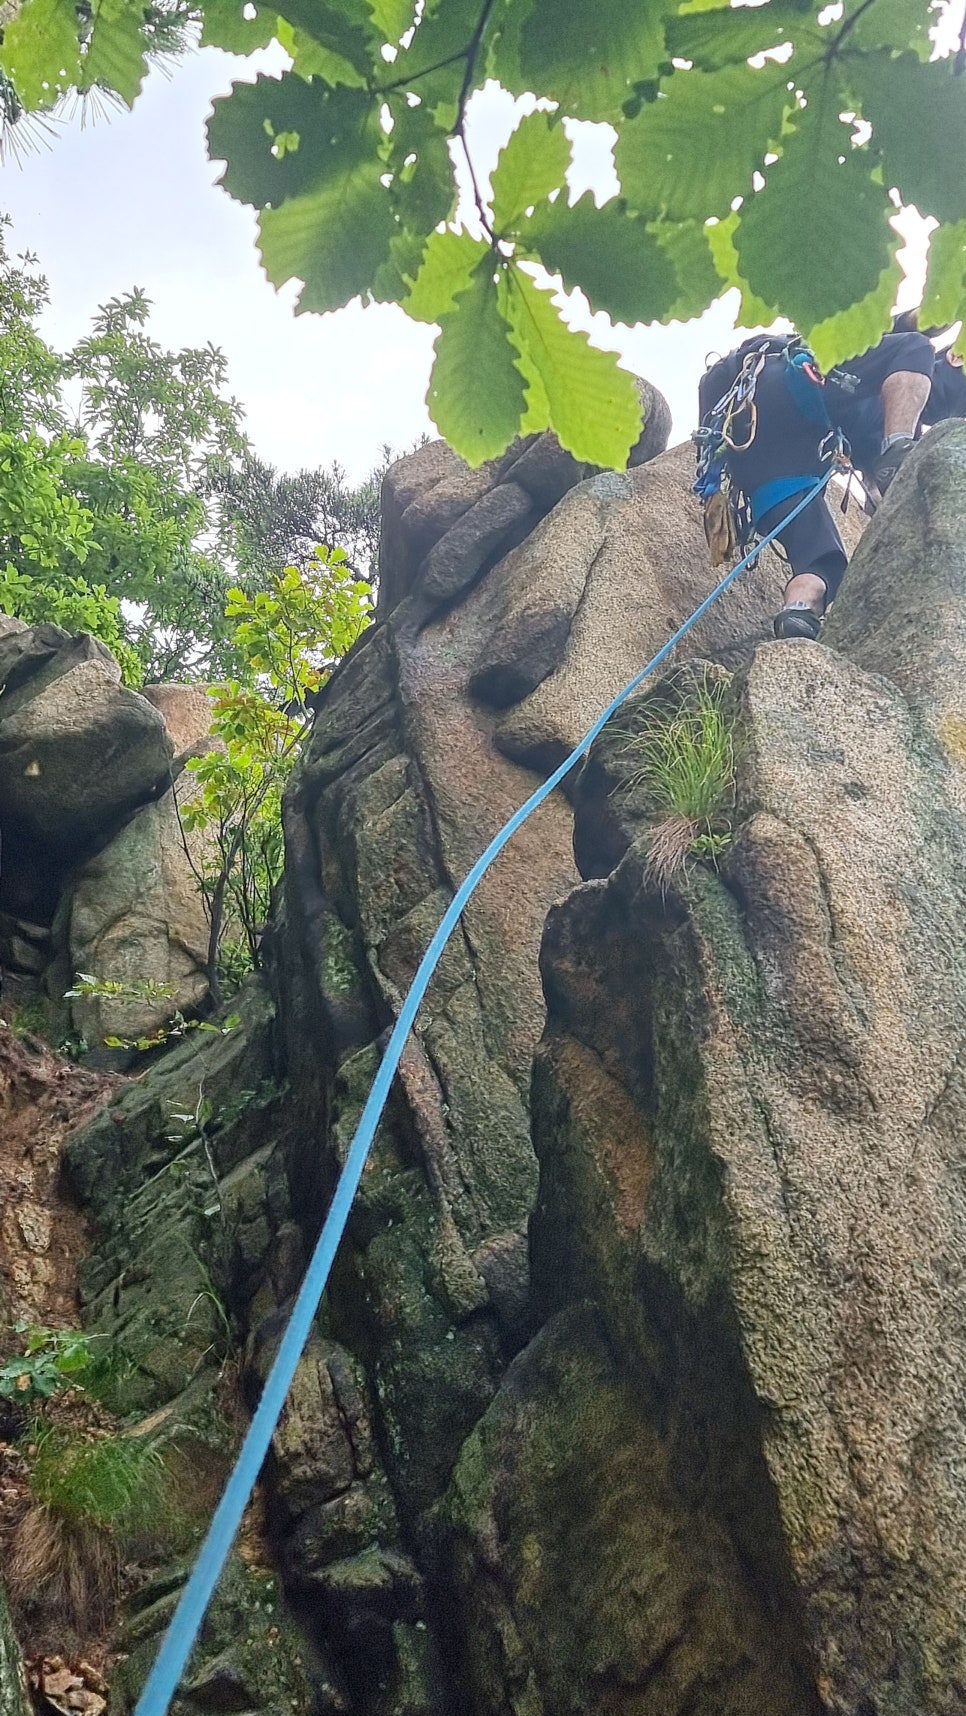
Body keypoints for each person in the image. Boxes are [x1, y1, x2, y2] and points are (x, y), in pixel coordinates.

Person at [695, 318, 966, 639]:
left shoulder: (878, 424)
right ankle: (900, 448)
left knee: (825, 564)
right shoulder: (893, 356)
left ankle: (798, 614)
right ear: (957, 358)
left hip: (764, 465)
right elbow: (912, 323)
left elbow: (888, 501)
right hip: (788, 386)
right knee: (916, 346)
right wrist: (941, 308)